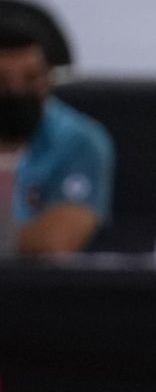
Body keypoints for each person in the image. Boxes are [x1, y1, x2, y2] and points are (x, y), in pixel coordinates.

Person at [0, 17, 113, 258]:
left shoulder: (79, 141)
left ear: (49, 77)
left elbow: (55, 242)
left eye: (31, 79)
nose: (17, 91)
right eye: (2, 82)